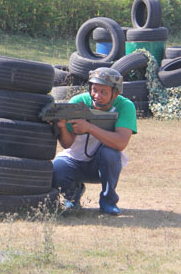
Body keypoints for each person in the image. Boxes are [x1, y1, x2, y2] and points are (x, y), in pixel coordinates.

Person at [51, 67, 137, 215]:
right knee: (57, 169)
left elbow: (121, 143)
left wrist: (89, 127)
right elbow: (67, 144)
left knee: (110, 154)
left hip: (103, 164)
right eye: (94, 90)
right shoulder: (78, 101)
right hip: (75, 160)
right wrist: (62, 127)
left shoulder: (125, 106)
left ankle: (108, 202)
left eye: (103, 92)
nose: (97, 95)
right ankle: (72, 197)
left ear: (115, 93)